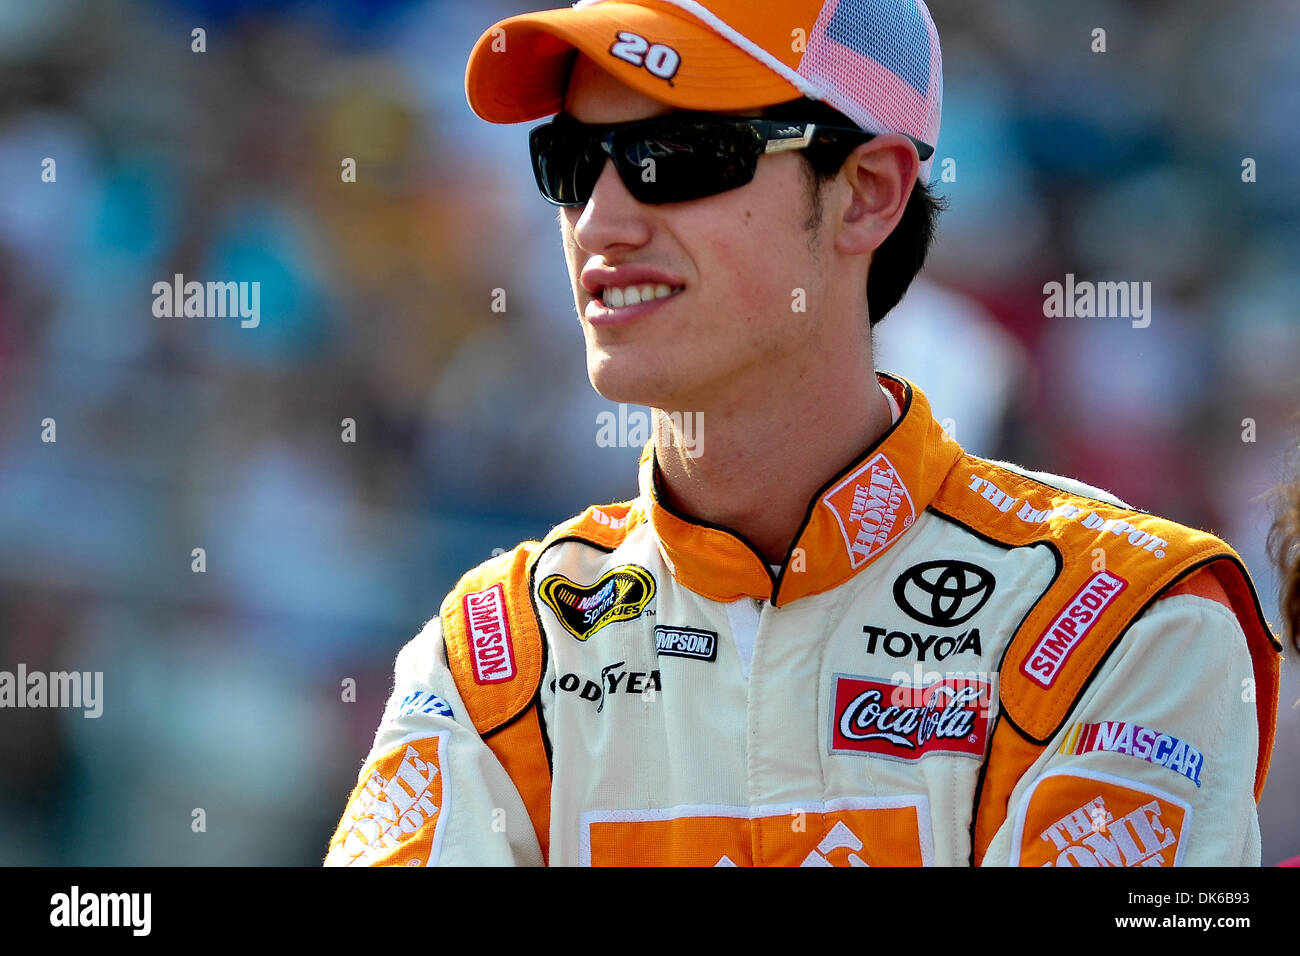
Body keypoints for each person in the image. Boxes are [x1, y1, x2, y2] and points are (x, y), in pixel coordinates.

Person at [325, 0, 1282, 867]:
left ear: (868, 192)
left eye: (677, 157)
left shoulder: (1125, 623)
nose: (600, 223)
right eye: (572, 165)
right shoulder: (497, 651)